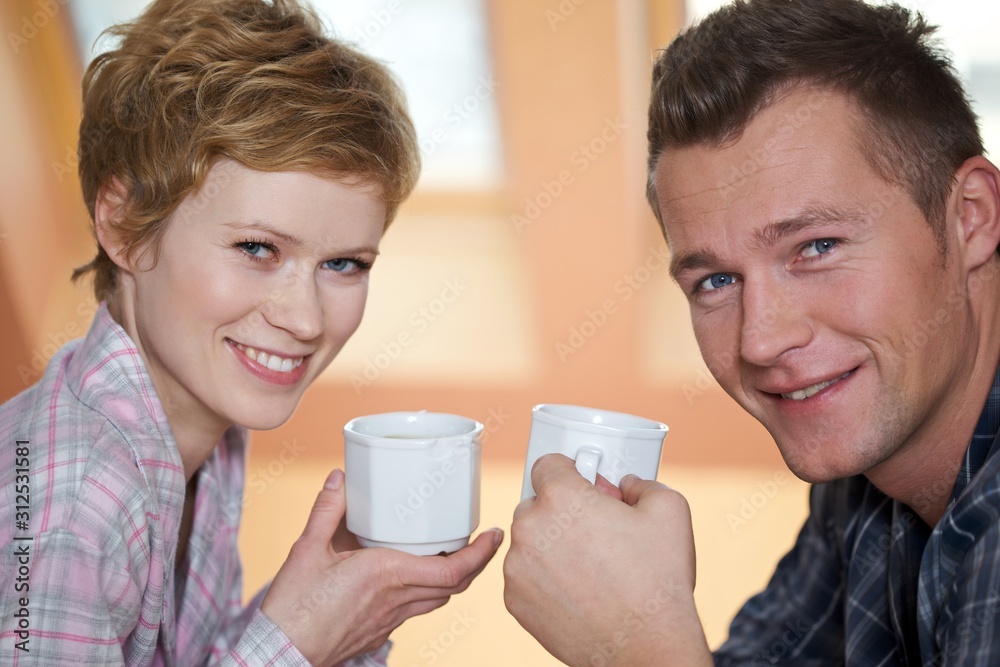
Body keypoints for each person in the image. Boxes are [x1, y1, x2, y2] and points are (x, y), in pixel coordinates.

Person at [0, 0, 502, 664]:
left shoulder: (192, 428)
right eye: (258, 249)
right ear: (123, 226)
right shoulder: (71, 510)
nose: (305, 319)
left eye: (344, 263)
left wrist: (343, 599)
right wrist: (298, 644)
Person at [503, 0, 1000, 664]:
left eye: (817, 246)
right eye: (715, 282)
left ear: (972, 216)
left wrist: (636, 648)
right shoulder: (867, 450)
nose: (761, 341)